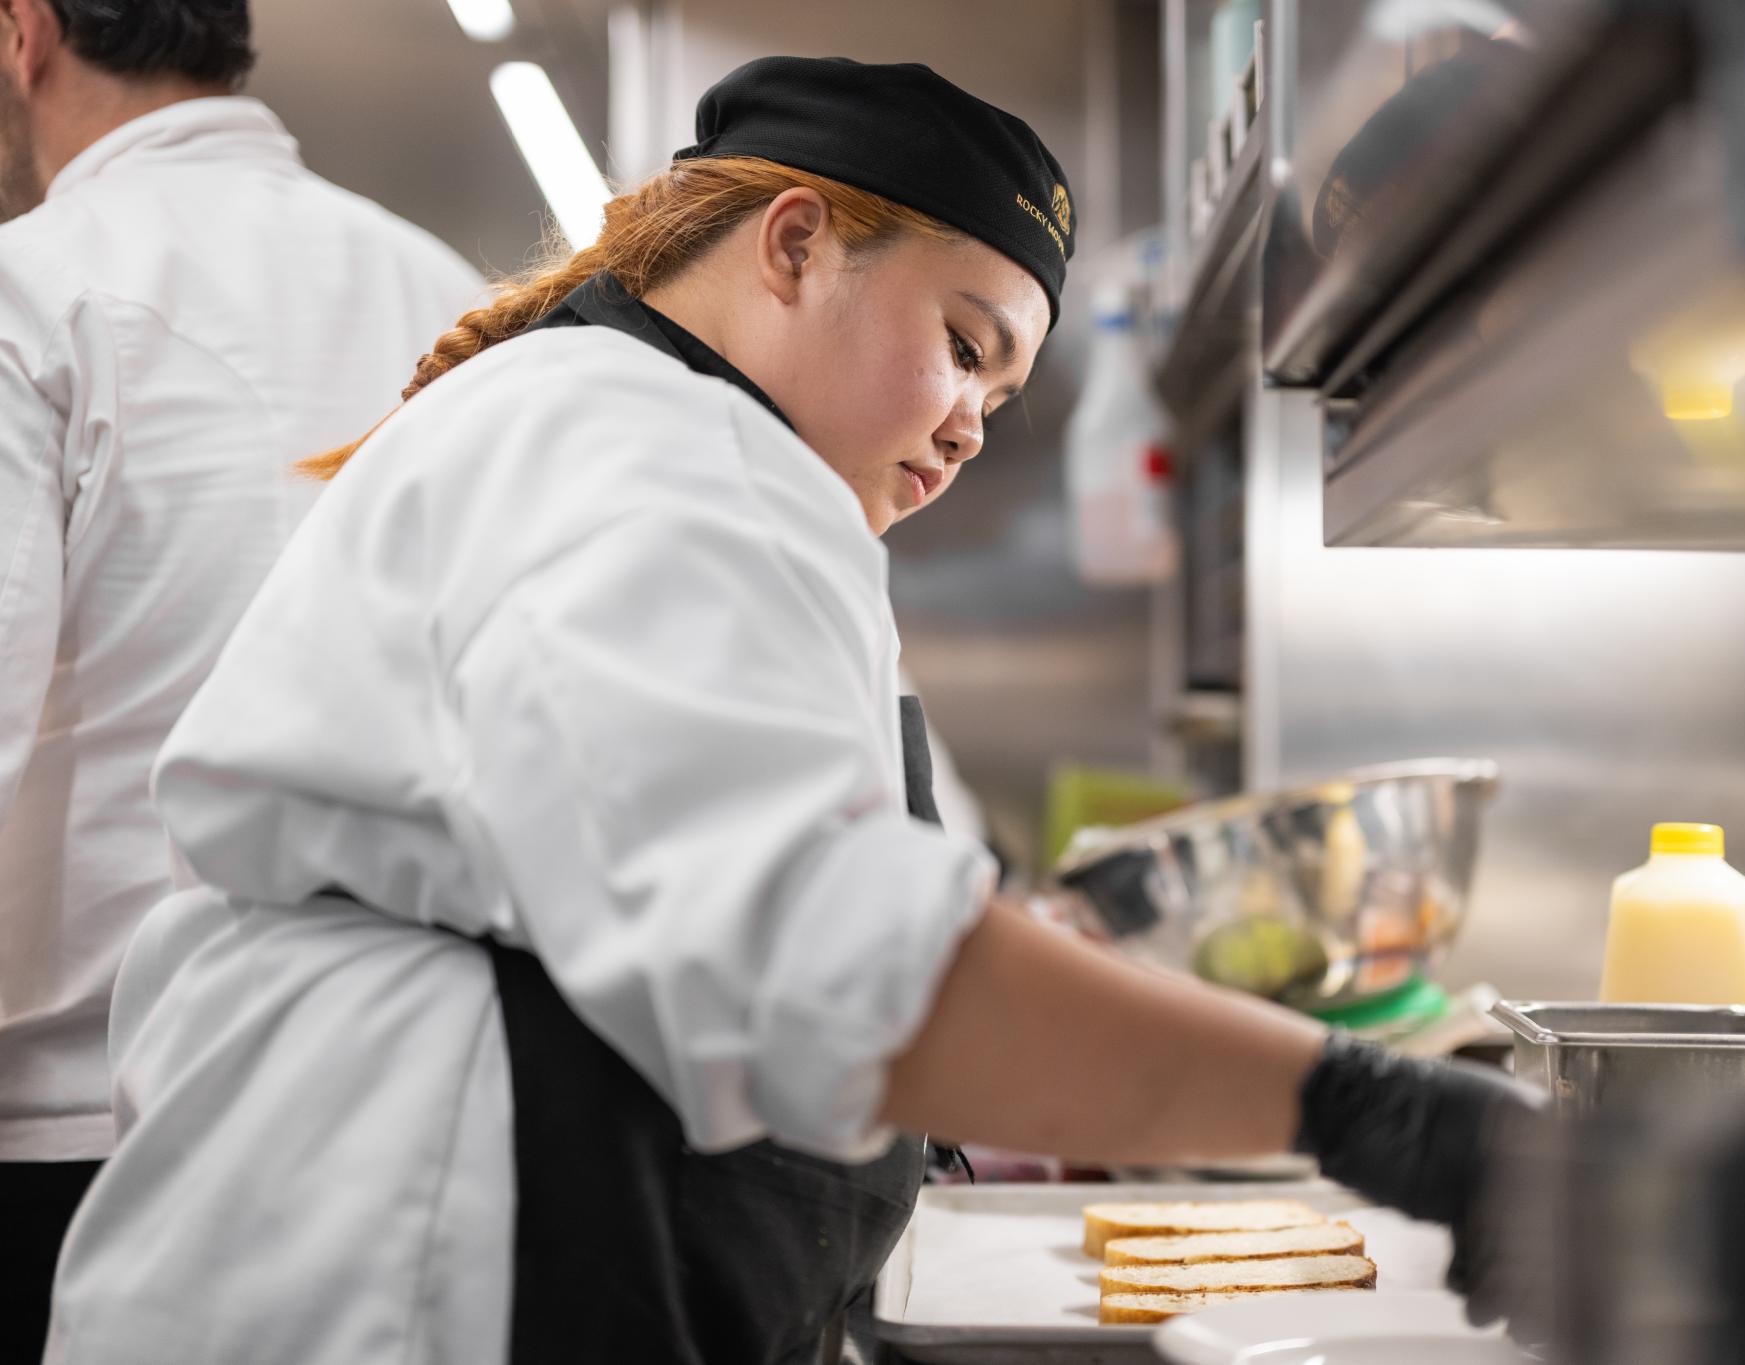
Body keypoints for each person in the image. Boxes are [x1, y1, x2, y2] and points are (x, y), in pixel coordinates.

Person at [45, 56, 1536, 1364]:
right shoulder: (640, 446)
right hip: (400, 1289)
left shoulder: (673, 451)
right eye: (965, 344)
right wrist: (1378, 1115)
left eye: (1003, 397)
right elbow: (827, 958)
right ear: (801, 243)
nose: (967, 421)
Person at [0, 0, 481, 1352]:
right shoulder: (450, 294)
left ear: (24, 31)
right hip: (391, 1123)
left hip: (73, 1138)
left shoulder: (32, 289)